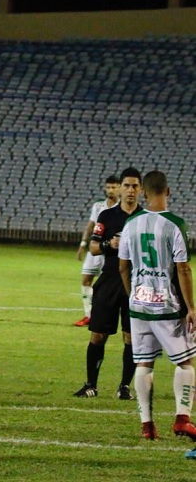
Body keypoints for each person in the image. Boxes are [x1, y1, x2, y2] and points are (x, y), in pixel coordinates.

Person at [117, 170, 196, 442]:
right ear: (168, 191)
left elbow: (122, 266)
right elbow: (183, 269)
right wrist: (192, 308)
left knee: (144, 364)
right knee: (185, 363)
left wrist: (132, 295)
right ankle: (182, 419)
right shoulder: (175, 225)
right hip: (167, 305)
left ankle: (147, 425)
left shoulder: (131, 224)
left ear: (143, 193)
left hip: (138, 303)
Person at [73, 167, 143, 400]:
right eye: (127, 185)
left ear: (141, 189)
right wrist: (108, 245)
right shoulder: (107, 216)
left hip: (137, 283)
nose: (130, 190)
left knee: (131, 337)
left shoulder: (146, 218)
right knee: (97, 335)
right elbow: (94, 246)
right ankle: (90, 384)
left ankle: (124, 387)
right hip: (110, 279)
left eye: (135, 186)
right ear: (120, 188)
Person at [73, 175, 120, 327]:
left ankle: (103, 314)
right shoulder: (98, 206)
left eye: (114, 187)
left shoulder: (122, 208)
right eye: (108, 187)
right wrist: (82, 244)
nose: (110, 190)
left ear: (119, 188)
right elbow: (91, 225)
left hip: (111, 253)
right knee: (86, 279)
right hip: (95, 249)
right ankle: (88, 315)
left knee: (106, 285)